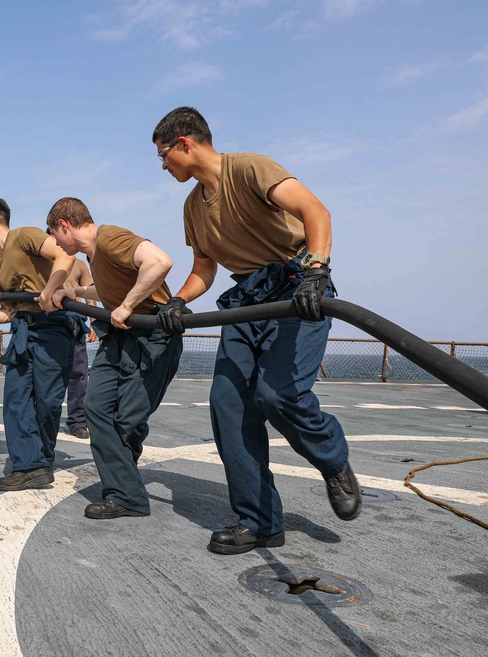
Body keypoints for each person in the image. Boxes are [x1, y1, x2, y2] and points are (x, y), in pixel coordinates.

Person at [151, 106, 361, 554]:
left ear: (184, 143)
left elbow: (314, 211)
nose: (163, 165)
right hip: (245, 304)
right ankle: (261, 521)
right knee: (228, 406)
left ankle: (332, 458)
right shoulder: (192, 207)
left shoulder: (249, 168)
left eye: (164, 155)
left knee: (279, 395)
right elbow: (203, 271)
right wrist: (178, 300)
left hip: (295, 289)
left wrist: (316, 270)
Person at [47, 198, 182, 519]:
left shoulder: (109, 238)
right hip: (120, 336)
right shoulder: (95, 254)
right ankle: (124, 489)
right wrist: (76, 292)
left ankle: (126, 493)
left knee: (129, 420)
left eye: (54, 234)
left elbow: (160, 262)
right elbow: (109, 289)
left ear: (64, 225)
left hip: (152, 336)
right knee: (95, 408)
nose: (54, 242)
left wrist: (127, 306)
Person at [0, 196, 77, 491]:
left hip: (54, 327)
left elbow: (66, 256)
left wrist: (48, 291)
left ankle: (41, 460)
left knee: (46, 403)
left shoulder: (25, 236)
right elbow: (9, 312)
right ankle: (28, 465)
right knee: (16, 399)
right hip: (23, 330)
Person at [62, 256, 97, 440]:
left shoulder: (79, 264)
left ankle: (77, 422)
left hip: (75, 323)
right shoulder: (42, 259)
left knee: (79, 375)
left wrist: (95, 322)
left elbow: (90, 293)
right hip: (49, 321)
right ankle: (44, 419)